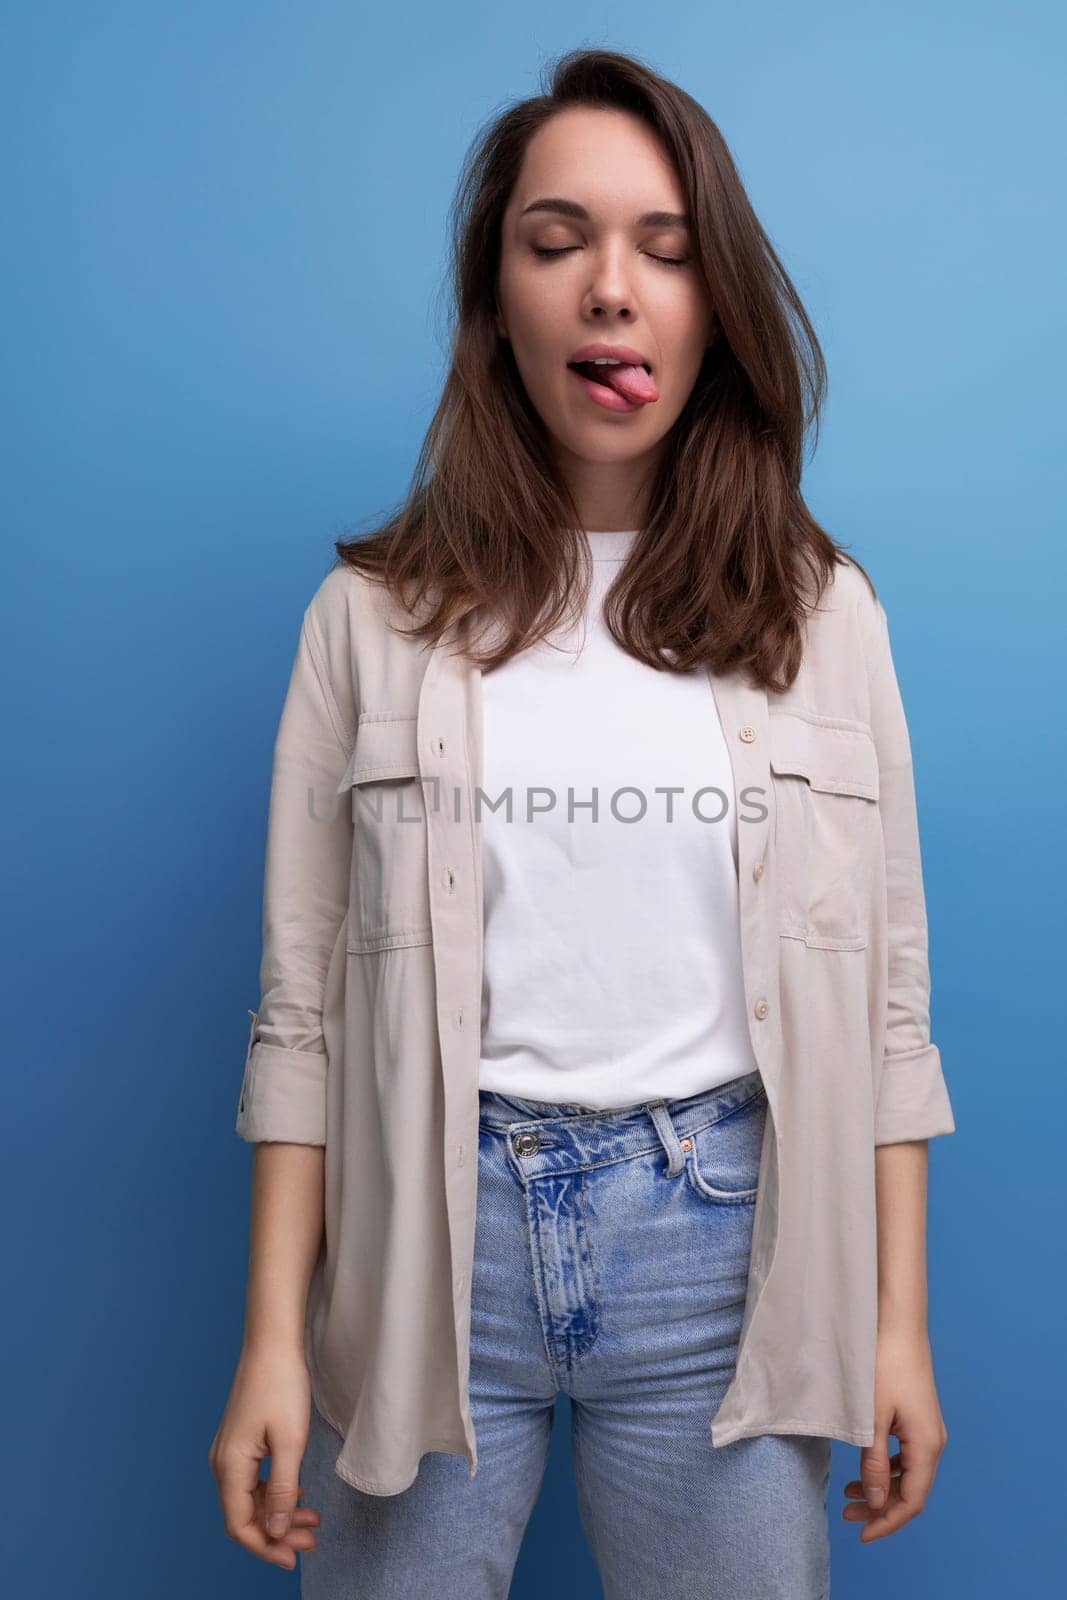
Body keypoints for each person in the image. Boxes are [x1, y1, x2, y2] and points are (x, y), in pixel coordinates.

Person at [208, 46, 954, 1599]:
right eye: (558, 244)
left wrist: (895, 1329)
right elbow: (300, 1014)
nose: (612, 289)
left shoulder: (827, 620)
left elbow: (888, 1010)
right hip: (430, 1249)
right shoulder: (367, 621)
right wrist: (273, 1344)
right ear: (499, 305)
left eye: (666, 252)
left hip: (723, 1263)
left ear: (715, 307)